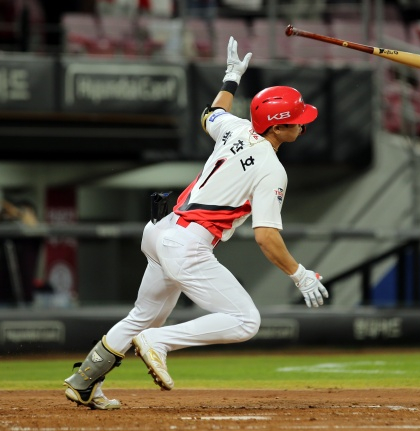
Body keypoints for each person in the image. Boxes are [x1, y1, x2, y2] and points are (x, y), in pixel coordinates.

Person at [63, 35, 329, 410]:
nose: (303, 125)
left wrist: (230, 78)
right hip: (188, 244)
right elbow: (266, 237)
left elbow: (210, 113)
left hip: (159, 232)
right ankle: (159, 343)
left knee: (142, 316)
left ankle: (84, 381)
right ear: (277, 128)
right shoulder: (272, 169)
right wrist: (298, 274)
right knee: (244, 321)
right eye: (297, 121)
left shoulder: (236, 128)